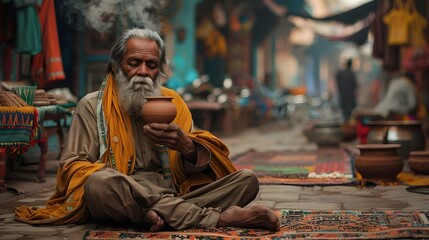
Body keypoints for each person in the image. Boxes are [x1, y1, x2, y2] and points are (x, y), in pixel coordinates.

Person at [14, 27, 280, 232]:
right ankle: (217, 218)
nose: (142, 71)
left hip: (175, 192)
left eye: (151, 65)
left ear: (159, 70)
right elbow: (72, 166)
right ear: (116, 66)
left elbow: (199, 169)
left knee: (247, 179)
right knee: (98, 183)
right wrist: (111, 177)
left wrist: (186, 146)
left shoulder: (173, 103)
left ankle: (154, 216)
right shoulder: (91, 105)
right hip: (123, 191)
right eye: (134, 63)